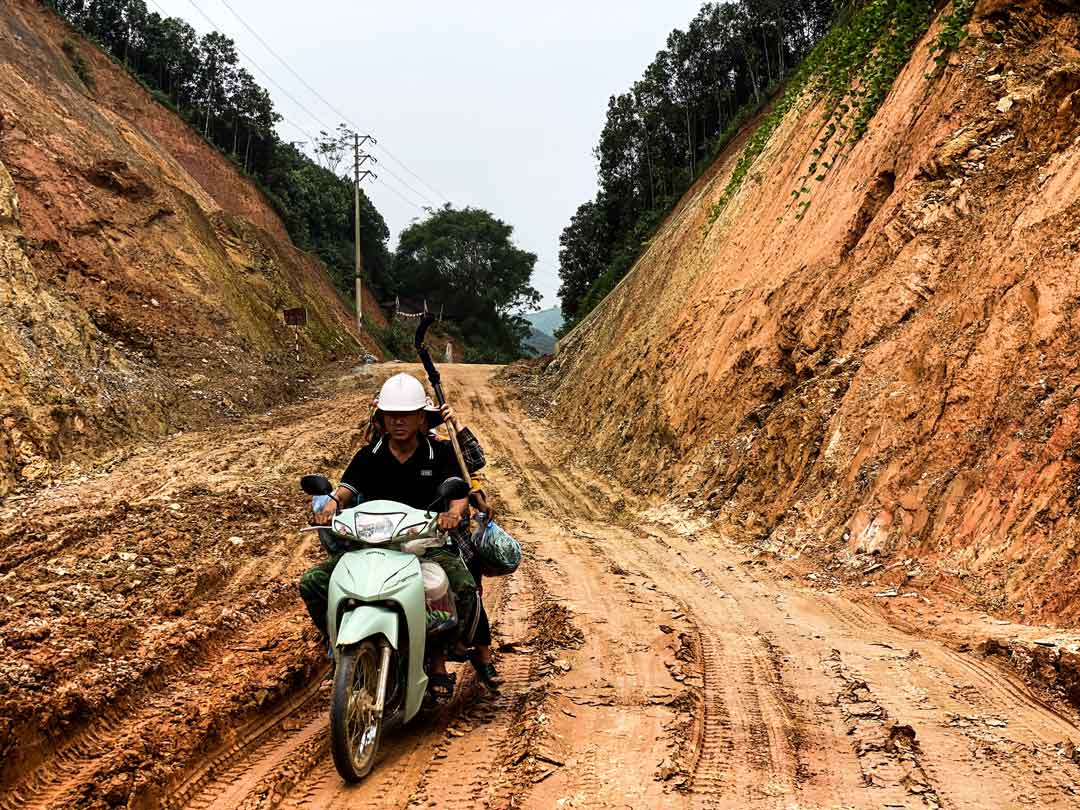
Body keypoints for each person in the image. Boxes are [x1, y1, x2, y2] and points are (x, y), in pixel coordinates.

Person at [299, 372, 476, 700]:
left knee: (462, 587)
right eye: (391, 415)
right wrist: (331, 506)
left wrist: (453, 514)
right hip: (370, 544)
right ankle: (336, 641)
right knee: (313, 581)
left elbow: (459, 493)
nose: (398, 421)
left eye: (406, 414)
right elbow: (345, 490)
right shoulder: (369, 456)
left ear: (421, 417)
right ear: (381, 417)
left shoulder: (440, 453)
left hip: (425, 545)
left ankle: (438, 657)